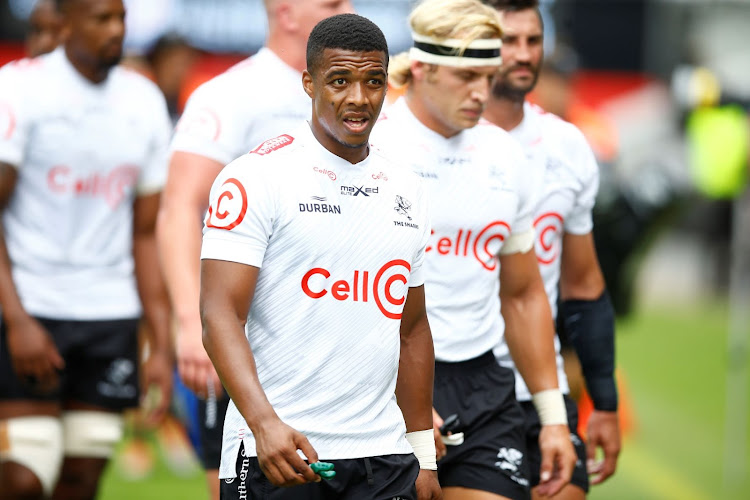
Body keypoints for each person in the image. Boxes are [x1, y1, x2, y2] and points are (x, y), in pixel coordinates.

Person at [199, 13, 441, 500]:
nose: (358, 98)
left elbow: (412, 329)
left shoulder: (407, 189)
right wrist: (264, 425)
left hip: (384, 455)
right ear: (308, 83)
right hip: (283, 452)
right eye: (339, 81)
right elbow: (219, 314)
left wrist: (423, 454)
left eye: (373, 81)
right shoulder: (255, 177)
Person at [370, 0, 577, 498]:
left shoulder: (504, 155)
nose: (482, 92)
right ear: (422, 68)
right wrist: (405, 400)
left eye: (488, 76)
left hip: (483, 383)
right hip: (385, 377)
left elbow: (524, 295)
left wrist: (553, 418)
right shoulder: (374, 149)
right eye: (467, 76)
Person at [155, 2, 354, 497]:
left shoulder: (360, 97)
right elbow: (179, 206)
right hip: (244, 335)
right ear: (285, 12)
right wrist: (189, 322)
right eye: (332, 3)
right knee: (230, 481)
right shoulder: (230, 95)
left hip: (331, 335)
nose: (348, 10)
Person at [0, 0, 173, 499]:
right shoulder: (21, 88)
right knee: (24, 479)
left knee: (80, 483)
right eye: (101, 19)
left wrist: (158, 343)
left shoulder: (143, 100)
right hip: (33, 308)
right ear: (65, 22)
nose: (117, 30)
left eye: (121, 18)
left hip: (109, 316)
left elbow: (145, 232)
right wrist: (16, 320)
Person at [482, 0, 621, 497]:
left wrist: (603, 401)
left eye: (533, 41)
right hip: (455, 384)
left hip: (541, 386)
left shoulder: (567, 147)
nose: (523, 54)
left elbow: (584, 283)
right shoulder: (432, 145)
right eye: (508, 41)